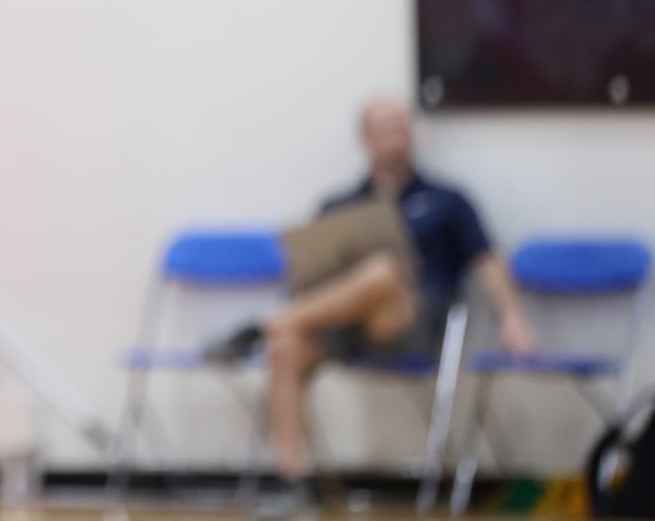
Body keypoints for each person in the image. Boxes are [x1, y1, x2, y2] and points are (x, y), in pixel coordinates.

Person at [208, 95, 535, 514]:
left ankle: (263, 325)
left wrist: (512, 316)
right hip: (346, 327)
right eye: (385, 130)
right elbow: (315, 276)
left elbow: (487, 262)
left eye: (402, 128)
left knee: (382, 271)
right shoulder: (339, 204)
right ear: (366, 138)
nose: (396, 138)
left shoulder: (447, 200)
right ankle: (294, 486)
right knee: (286, 349)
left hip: (411, 322)